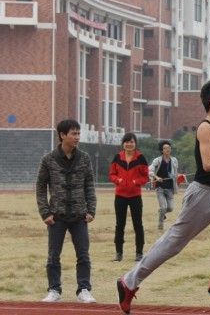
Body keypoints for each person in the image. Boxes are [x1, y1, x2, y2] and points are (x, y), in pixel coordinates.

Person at [116, 79, 210, 314]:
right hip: (201, 196)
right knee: (173, 243)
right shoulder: (205, 128)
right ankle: (129, 282)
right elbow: (208, 164)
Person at [36, 119, 97, 303]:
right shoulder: (48, 159)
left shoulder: (85, 158)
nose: (77, 137)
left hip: (79, 215)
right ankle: (54, 290)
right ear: (63, 135)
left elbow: (89, 186)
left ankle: (84, 289)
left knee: (83, 255)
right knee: (53, 255)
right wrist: (45, 212)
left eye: (78, 133)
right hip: (57, 215)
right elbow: (40, 187)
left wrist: (91, 210)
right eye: (73, 133)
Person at [109, 132, 149, 262]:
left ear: (135, 143)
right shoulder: (117, 157)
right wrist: (118, 180)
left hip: (135, 196)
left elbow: (145, 177)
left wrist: (136, 182)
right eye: (126, 142)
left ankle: (139, 253)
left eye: (131, 142)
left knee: (138, 224)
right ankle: (118, 253)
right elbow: (112, 174)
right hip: (120, 195)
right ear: (123, 143)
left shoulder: (141, 158)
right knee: (119, 224)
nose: (129, 144)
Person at [149, 140, 179, 230]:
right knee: (163, 207)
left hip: (170, 188)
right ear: (162, 150)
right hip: (160, 187)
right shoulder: (157, 160)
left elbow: (175, 173)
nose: (167, 149)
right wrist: (156, 177)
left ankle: (161, 212)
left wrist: (179, 176)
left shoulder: (174, 160)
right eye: (165, 148)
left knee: (170, 208)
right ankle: (160, 224)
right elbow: (150, 170)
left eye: (169, 148)